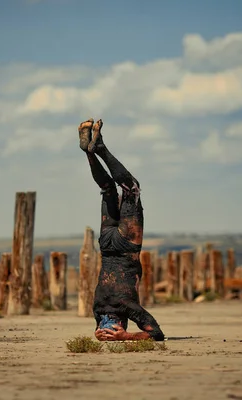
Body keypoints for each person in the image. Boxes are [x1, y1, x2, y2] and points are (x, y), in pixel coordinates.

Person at [78, 118, 165, 342]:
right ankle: (89, 152)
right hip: (107, 245)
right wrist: (111, 333)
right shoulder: (97, 307)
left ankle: (99, 149)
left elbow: (155, 334)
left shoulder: (127, 307)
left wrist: (126, 336)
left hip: (126, 246)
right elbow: (101, 328)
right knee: (108, 189)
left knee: (131, 189)